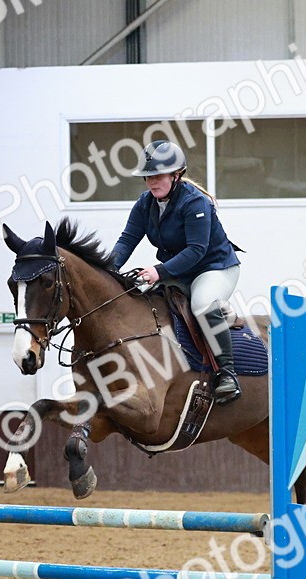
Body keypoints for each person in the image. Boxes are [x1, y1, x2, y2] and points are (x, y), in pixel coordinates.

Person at [111, 140, 243, 404]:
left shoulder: (195, 203)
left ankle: (227, 374)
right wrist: (107, 270)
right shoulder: (145, 203)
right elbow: (127, 240)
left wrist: (159, 271)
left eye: (157, 176)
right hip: (179, 271)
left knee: (202, 303)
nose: (151, 182)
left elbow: (196, 250)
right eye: (148, 177)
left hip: (214, 267)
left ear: (176, 174)